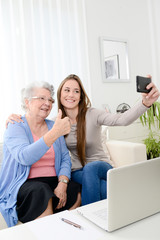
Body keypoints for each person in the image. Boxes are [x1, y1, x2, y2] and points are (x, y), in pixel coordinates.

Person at [6, 74, 160, 206]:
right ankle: (127, 208)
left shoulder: (93, 114)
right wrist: (14, 118)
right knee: (102, 188)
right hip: (77, 171)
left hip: (101, 167)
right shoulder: (56, 123)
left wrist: (145, 103)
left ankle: (90, 218)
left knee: (91, 169)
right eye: (67, 90)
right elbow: (34, 120)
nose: (71, 95)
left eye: (76, 91)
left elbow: (123, 119)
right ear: (59, 95)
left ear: (81, 96)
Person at [0, 81, 81, 227]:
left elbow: (64, 158)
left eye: (50, 100)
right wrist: (55, 133)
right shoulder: (15, 126)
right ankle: (50, 232)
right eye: (42, 98)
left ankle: (67, 232)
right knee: (41, 191)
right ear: (27, 102)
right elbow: (24, 157)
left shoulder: (52, 125)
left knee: (75, 188)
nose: (48, 103)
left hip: (53, 181)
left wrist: (62, 183)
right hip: (25, 185)